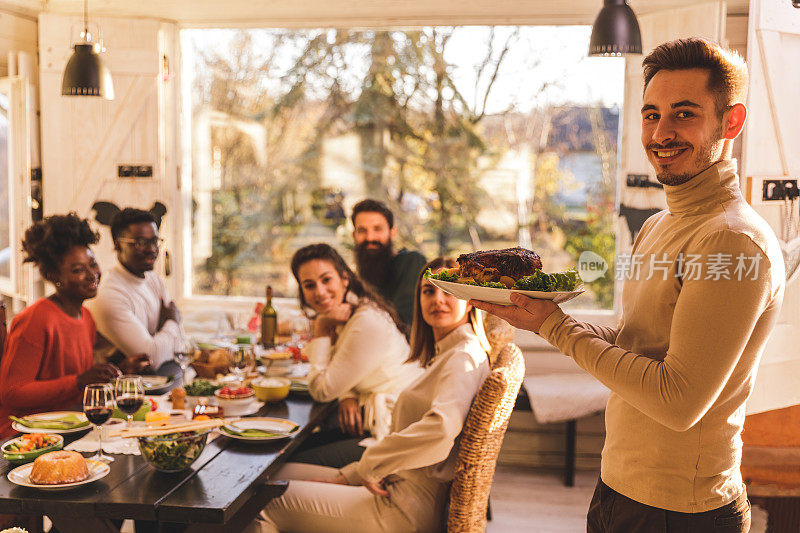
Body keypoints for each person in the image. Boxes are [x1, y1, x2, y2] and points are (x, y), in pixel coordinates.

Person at [472, 38, 784, 532]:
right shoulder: (660, 226)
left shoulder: (731, 241)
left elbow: (678, 400)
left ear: (731, 122)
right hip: (620, 487)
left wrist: (556, 330)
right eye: (650, 114)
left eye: (684, 114)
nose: (661, 133)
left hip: (681, 510)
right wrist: (549, 317)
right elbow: (637, 344)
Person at [244, 257, 491, 533]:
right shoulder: (446, 351)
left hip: (403, 506)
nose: (438, 300)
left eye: (450, 291)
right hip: (394, 480)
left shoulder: (463, 357)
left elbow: (441, 430)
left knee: (259, 502)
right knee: (265, 476)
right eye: (428, 290)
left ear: (471, 300)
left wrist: (369, 467)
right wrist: (353, 473)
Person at [0, 214, 135, 438]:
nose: (92, 275)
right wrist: (79, 381)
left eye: (93, 264)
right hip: (23, 436)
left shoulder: (86, 318)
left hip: (68, 425)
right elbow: (11, 393)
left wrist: (118, 369)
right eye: (78, 270)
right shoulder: (36, 319)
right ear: (55, 276)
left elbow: (74, 380)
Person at [289, 243, 422, 468]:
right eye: (309, 285)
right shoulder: (352, 310)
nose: (319, 292)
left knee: (284, 463)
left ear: (344, 279)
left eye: (326, 280)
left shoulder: (365, 321)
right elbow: (343, 364)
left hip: (396, 433)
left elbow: (321, 390)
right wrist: (346, 393)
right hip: (375, 418)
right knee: (289, 448)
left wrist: (322, 329)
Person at [86, 208, 184, 380]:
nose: (152, 249)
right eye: (140, 242)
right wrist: (172, 320)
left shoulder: (154, 279)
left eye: (155, 241)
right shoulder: (109, 293)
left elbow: (179, 345)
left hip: (151, 379)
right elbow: (151, 357)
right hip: (114, 389)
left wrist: (163, 335)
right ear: (118, 245)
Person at [351, 199, 427, 328]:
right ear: (354, 235)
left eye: (377, 229)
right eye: (362, 230)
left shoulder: (411, 262)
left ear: (392, 233)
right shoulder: (358, 276)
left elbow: (404, 320)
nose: (370, 237)